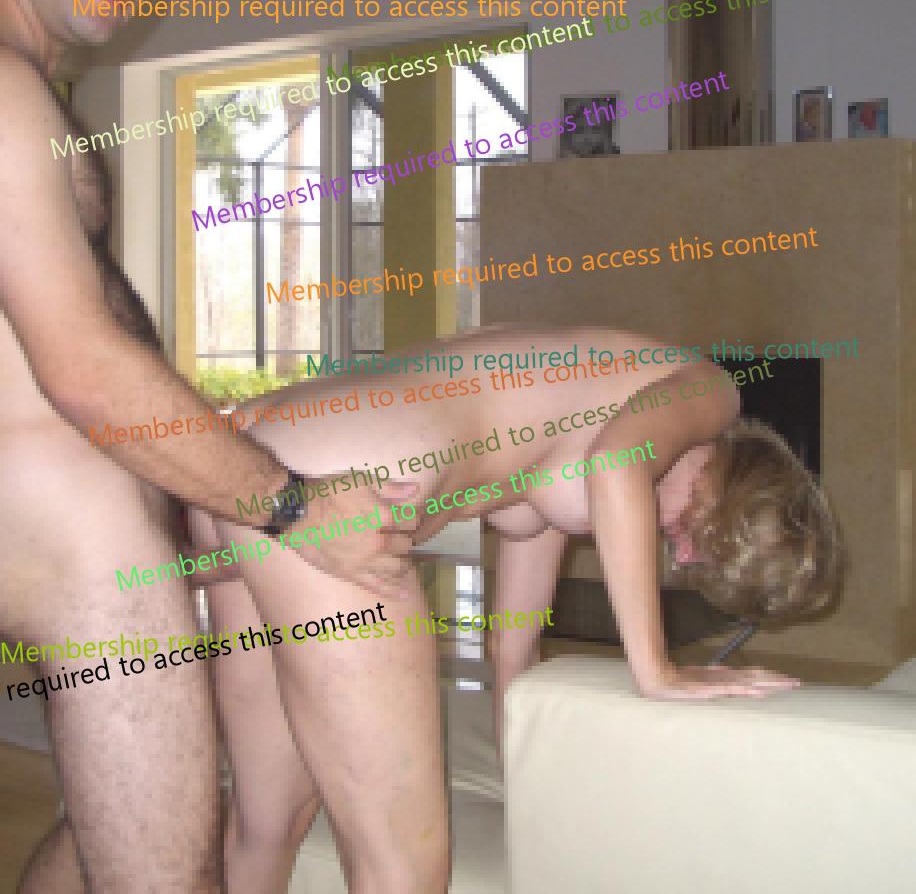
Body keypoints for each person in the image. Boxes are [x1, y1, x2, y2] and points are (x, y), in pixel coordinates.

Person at [0, 0, 412, 894]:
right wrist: (297, 506)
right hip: (73, 544)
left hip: (83, 527)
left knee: (114, 842)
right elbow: (82, 371)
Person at [186, 323, 841, 893]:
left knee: (267, 825)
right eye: (703, 537)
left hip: (249, 463)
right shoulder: (711, 389)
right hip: (330, 491)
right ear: (732, 483)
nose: (685, 555)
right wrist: (657, 669)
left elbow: (512, 651)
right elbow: (616, 467)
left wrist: (524, 790)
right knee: (405, 871)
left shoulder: (579, 407)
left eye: (693, 559)